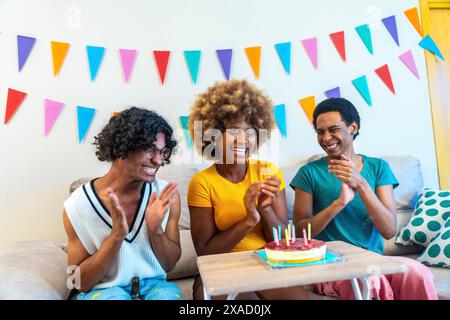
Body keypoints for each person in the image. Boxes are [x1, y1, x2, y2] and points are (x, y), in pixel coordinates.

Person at [290, 97, 437, 300]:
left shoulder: (378, 168)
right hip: (328, 266)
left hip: (372, 259)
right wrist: (338, 203)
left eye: (333, 129)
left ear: (352, 127)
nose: (326, 138)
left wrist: (361, 184)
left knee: (417, 273)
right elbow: (299, 234)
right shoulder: (309, 173)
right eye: (320, 132)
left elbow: (388, 230)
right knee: (369, 280)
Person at [187, 79, 309, 300]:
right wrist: (249, 220)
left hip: (267, 263)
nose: (243, 140)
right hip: (219, 268)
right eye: (234, 131)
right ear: (212, 135)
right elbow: (206, 253)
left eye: (250, 132)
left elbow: (283, 242)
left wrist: (265, 210)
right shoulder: (202, 182)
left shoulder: (268, 171)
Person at [63, 107, 184, 300]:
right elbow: (79, 283)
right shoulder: (78, 205)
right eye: (150, 150)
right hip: (103, 291)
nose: (159, 160)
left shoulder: (166, 195)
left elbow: (169, 265)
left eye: (163, 152)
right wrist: (116, 236)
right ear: (123, 146)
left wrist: (155, 231)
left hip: (156, 287)